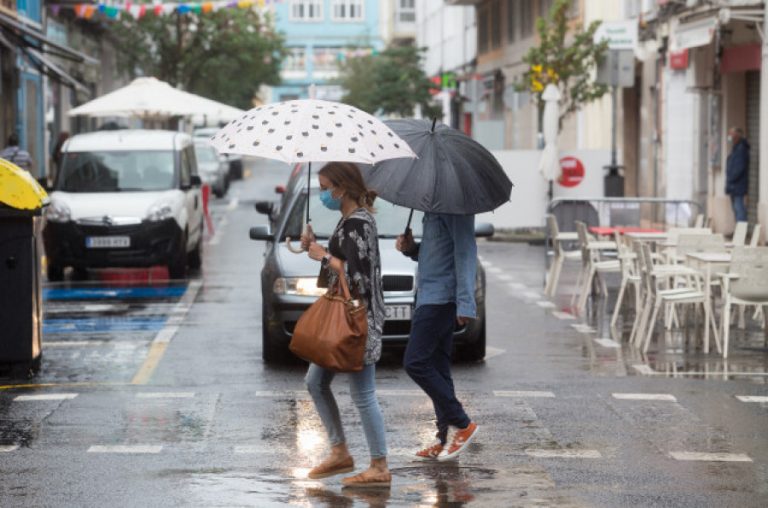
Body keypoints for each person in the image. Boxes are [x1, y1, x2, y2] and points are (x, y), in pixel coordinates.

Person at [300, 161, 390, 488]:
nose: (323, 193)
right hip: (346, 316)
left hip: (358, 319)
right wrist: (311, 246)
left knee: (363, 393)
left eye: (325, 188)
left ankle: (379, 465)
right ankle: (340, 451)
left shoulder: (358, 224)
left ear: (341, 187)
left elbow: (359, 278)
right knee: (315, 382)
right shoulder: (349, 221)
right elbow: (341, 266)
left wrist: (323, 255)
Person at [396, 213, 479, 461]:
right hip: (428, 296)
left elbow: (465, 253)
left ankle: (463, 424)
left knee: (415, 363)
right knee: (439, 369)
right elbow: (438, 253)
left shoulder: (456, 208)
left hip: (440, 299)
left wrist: (466, 302)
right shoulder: (435, 209)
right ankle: (442, 440)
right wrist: (412, 249)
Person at [726, 127, 750, 223]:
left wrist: (731, 179)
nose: (729, 137)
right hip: (734, 186)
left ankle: (742, 232)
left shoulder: (741, 149)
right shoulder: (736, 148)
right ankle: (739, 231)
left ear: (736, 136)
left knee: (739, 208)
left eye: (731, 134)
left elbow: (739, 168)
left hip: (737, 185)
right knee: (736, 209)